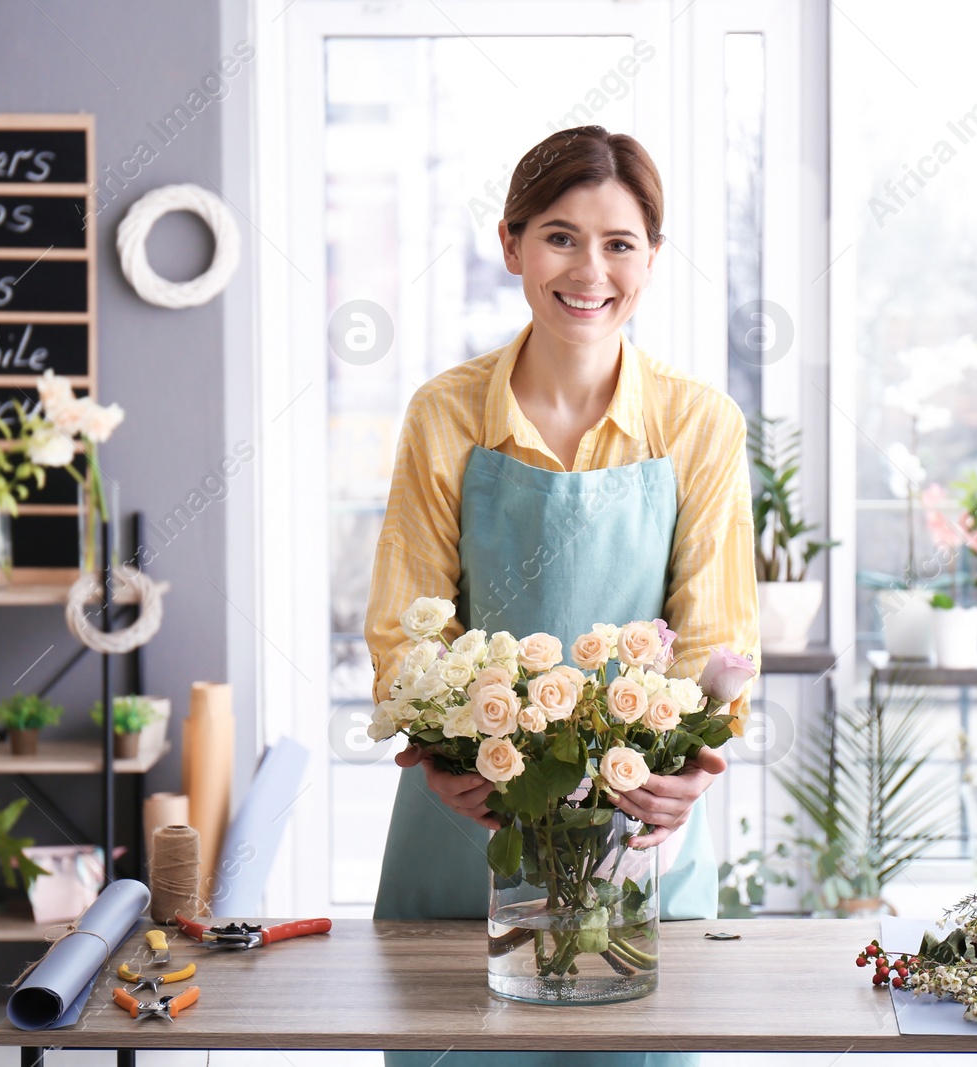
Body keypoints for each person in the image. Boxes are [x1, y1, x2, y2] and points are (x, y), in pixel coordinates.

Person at [364, 125, 760, 1067]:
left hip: (636, 826)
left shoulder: (699, 422)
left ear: (652, 260)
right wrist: (444, 759)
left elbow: (718, 637)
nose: (591, 269)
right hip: (468, 825)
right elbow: (402, 625)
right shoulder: (447, 413)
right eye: (560, 236)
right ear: (511, 244)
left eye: (620, 243)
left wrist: (684, 780)